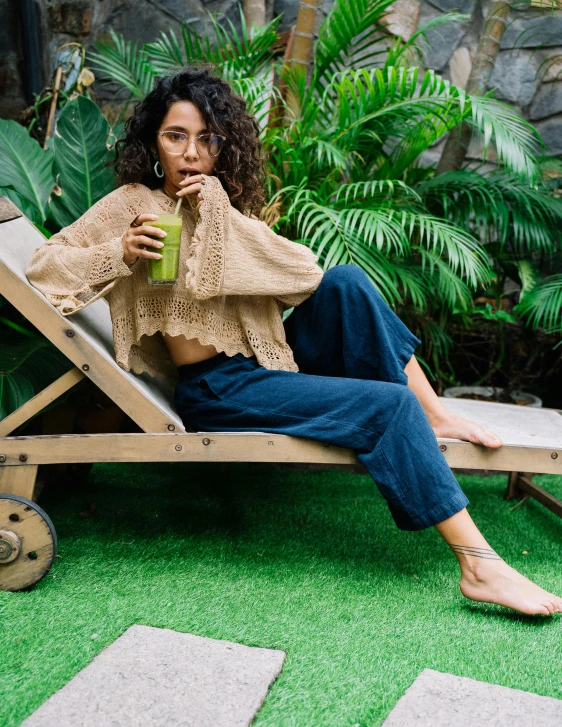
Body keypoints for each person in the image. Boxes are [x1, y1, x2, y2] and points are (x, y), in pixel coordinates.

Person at [26, 67, 561, 616]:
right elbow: (45, 267)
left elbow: (301, 273)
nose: (190, 153)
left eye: (206, 139)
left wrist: (220, 216)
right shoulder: (129, 204)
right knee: (386, 405)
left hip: (269, 357)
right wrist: (119, 251)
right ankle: (479, 565)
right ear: (153, 141)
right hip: (218, 386)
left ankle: (435, 416)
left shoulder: (222, 209)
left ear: (223, 148)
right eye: (175, 136)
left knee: (345, 282)